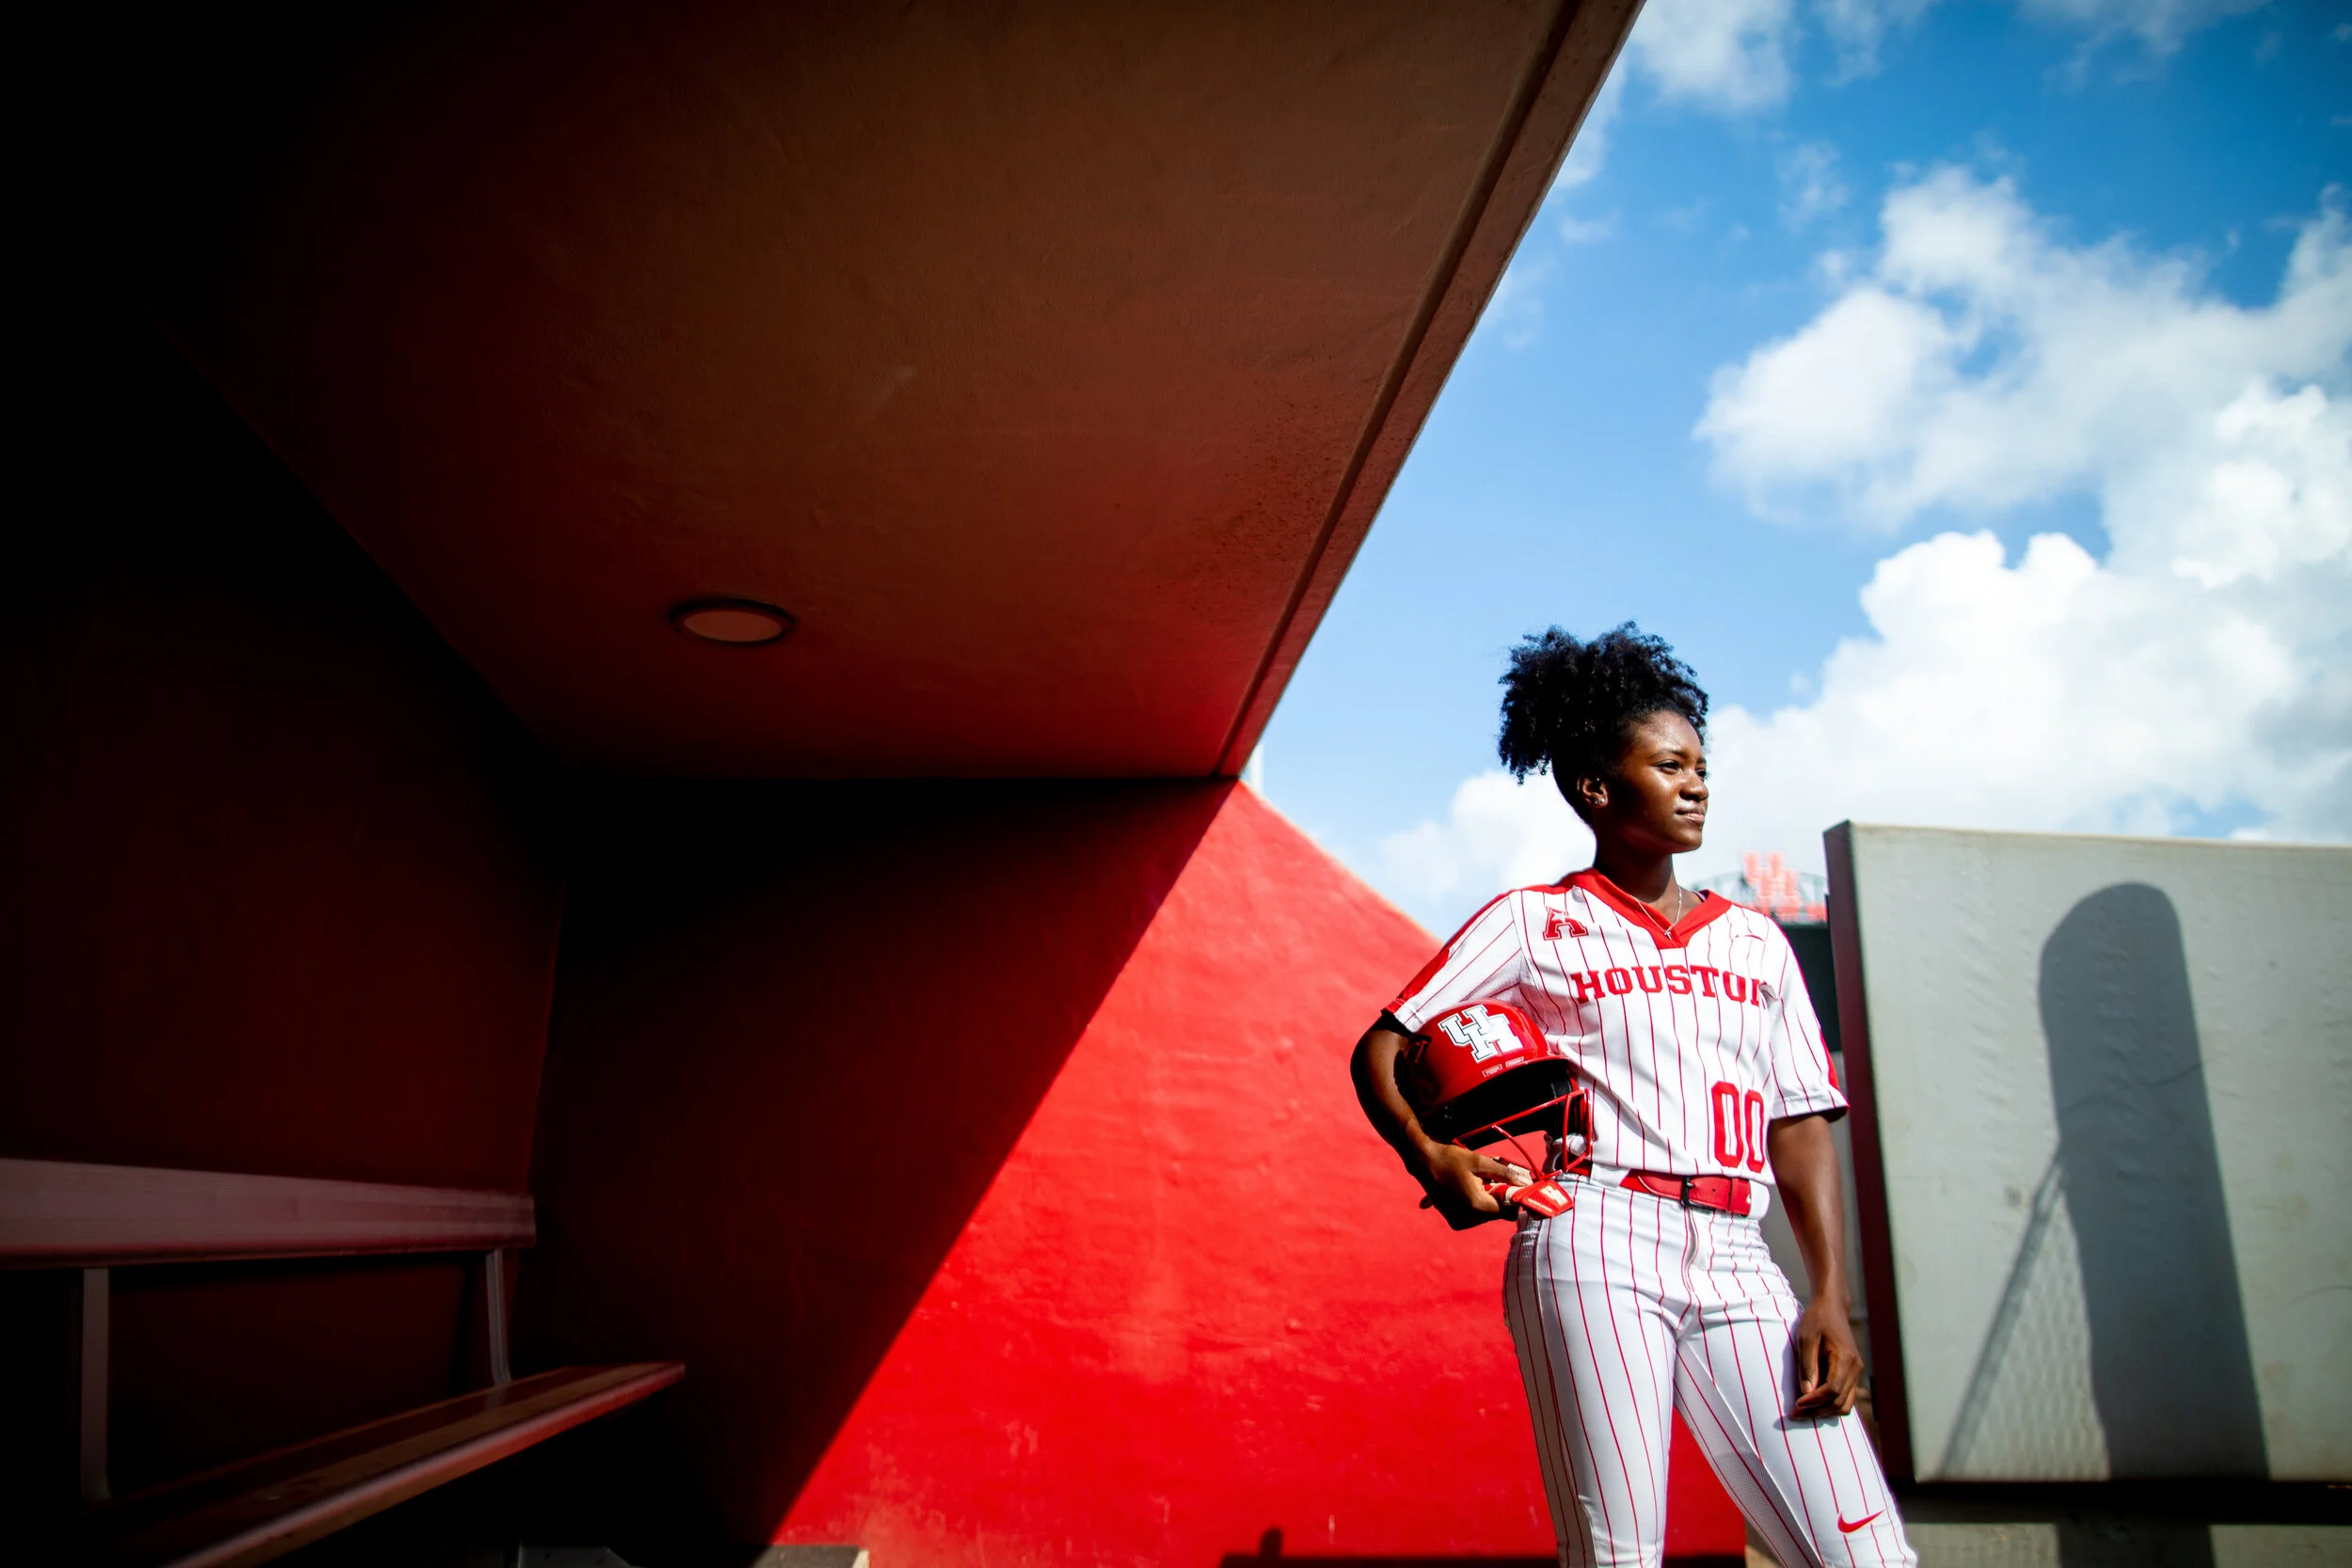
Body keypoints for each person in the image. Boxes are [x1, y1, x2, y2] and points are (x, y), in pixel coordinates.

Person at [1350, 624, 1915, 1568]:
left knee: (1868, 1555)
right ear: (1596, 788)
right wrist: (1431, 1152)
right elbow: (1382, 1044)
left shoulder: (1754, 939)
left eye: (1701, 763)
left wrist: (1828, 1293)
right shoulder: (1536, 919)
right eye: (1668, 763)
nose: (1696, 782)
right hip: (1597, 1230)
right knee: (1618, 1557)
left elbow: (1800, 1121)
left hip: (1740, 1253)